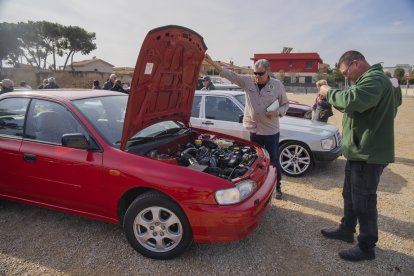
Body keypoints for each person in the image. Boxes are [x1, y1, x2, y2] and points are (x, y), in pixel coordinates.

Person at [318, 50, 395, 262]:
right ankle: (346, 230)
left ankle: (366, 247)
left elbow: (352, 101)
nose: (345, 77)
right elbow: (359, 104)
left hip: (368, 153)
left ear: (357, 63)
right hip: (358, 151)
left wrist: (328, 91)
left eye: (345, 72)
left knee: (364, 202)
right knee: (350, 195)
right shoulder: (373, 81)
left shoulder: (374, 80)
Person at [204, 54, 289, 199]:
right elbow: (229, 74)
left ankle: (277, 187)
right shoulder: (247, 81)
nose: (256, 76)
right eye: (255, 73)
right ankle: (257, 187)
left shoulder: (277, 85)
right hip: (254, 130)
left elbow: (285, 104)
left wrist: (277, 112)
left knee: (273, 161)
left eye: (260, 73)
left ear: (267, 72)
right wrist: (211, 62)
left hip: (270, 131)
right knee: (254, 161)